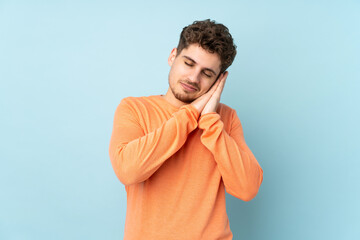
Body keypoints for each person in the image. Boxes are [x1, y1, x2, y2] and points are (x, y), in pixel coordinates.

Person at [109, 19, 263, 240]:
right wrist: (191, 113)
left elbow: (247, 188)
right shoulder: (134, 109)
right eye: (188, 63)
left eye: (207, 73)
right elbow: (128, 171)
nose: (193, 78)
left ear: (219, 80)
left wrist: (210, 119)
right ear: (173, 56)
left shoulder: (225, 119)